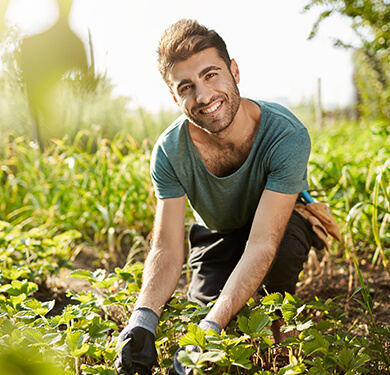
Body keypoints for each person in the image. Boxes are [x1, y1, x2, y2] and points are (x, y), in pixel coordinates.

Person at [115, 18, 323, 375]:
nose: (203, 96)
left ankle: (278, 317)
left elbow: (262, 243)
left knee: (277, 258)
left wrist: (210, 329)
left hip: (276, 224)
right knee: (207, 310)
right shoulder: (169, 150)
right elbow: (166, 246)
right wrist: (142, 319)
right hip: (217, 231)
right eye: (186, 87)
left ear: (235, 70)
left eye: (211, 75)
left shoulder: (286, 135)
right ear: (174, 96)